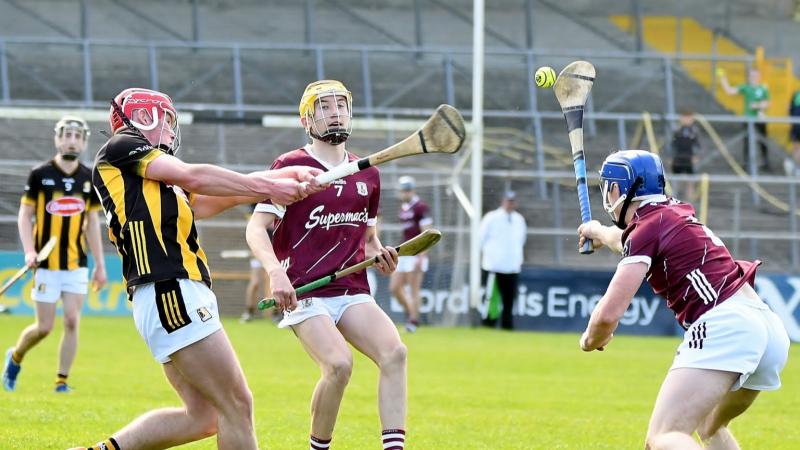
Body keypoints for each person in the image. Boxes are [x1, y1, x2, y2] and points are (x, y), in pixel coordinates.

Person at [73, 87, 323, 450]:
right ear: (143, 115)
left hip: (168, 294)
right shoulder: (122, 146)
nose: (171, 130)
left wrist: (283, 177)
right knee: (237, 405)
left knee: (203, 417)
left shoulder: (154, 181)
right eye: (166, 120)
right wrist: (269, 184)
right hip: (170, 290)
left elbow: (209, 198)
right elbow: (194, 176)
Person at [577, 150, 790, 450]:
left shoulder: (646, 230)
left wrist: (590, 339)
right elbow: (625, 239)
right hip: (768, 328)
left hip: (726, 325)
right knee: (710, 426)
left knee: (664, 436)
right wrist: (598, 230)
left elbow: (607, 316)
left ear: (617, 189)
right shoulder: (672, 212)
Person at [246, 79, 407, 450]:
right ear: (306, 119)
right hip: (303, 292)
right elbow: (256, 228)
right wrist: (275, 272)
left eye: (341, 105)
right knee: (338, 365)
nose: (335, 113)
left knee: (395, 353)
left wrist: (381, 256)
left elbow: (368, 239)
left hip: (351, 289)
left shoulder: (368, 173)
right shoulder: (290, 166)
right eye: (324, 106)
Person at [1, 116, 107, 393]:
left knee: (72, 320)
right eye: (67, 135)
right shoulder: (40, 174)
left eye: (77, 136)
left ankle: (61, 382)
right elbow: (24, 216)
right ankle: (16, 356)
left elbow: (92, 223)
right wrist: (29, 251)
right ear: (57, 139)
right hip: (46, 264)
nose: (72, 140)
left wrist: (100, 264)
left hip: (76, 263)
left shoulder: (88, 178)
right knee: (44, 327)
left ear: (83, 142)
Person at [389, 175, 432, 333]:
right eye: (402, 190)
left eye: (407, 190)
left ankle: (413, 322)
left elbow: (427, 233)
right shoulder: (404, 208)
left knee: (413, 289)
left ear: (413, 190)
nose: (404, 193)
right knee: (395, 287)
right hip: (404, 253)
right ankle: (411, 313)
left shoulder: (421, 207)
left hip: (417, 254)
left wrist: (422, 256)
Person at [478, 190, 527, 330]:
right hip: (494, 266)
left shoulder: (519, 219)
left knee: (509, 300)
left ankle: (507, 326)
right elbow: (481, 238)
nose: (510, 204)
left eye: (512, 201)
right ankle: (488, 325)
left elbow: (521, 240)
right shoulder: (491, 217)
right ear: (503, 201)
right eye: (508, 201)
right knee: (490, 299)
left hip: (512, 267)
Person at [718, 67, 771, 171]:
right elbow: (729, 91)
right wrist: (722, 78)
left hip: (760, 119)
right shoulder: (745, 87)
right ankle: (746, 163)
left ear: (759, 77)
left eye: (755, 75)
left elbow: (767, 103)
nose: (754, 77)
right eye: (752, 75)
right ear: (749, 77)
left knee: (763, 141)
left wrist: (757, 105)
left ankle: (765, 162)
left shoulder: (763, 88)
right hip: (748, 119)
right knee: (747, 141)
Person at [669, 110, 701, 201]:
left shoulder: (694, 132)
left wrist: (696, 155)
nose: (686, 120)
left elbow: (699, 145)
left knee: (690, 180)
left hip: (689, 158)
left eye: (689, 118)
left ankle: (689, 200)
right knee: (676, 179)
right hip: (678, 157)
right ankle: (673, 199)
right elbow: (671, 144)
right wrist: (670, 157)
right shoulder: (676, 130)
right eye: (684, 118)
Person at [787, 89, 800, 176]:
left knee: (796, 148)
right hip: (796, 126)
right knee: (796, 148)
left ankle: (796, 167)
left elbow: (789, 109)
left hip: (795, 126)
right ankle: (796, 168)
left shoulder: (796, 94)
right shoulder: (796, 95)